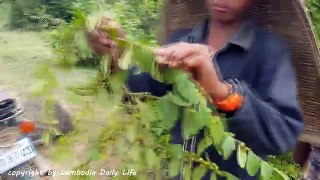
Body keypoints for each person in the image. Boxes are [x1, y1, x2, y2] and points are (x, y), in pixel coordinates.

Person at [87, 0, 304, 179]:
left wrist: (221, 92)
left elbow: (282, 134)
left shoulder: (270, 52)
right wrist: (116, 51)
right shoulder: (180, 40)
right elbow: (139, 92)